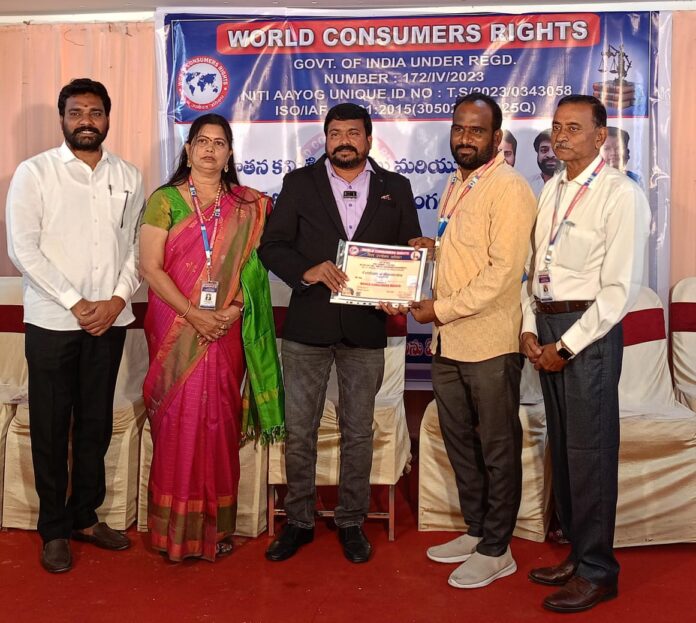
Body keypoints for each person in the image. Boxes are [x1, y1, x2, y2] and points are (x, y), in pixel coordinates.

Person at [259, 103, 420, 564]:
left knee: (357, 430)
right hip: (309, 324)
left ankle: (351, 520)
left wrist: (405, 282)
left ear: (368, 139)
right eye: (334, 133)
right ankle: (299, 521)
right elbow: (272, 246)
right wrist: (306, 271)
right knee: (300, 429)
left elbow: (409, 247)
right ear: (326, 139)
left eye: (352, 132)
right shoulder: (299, 183)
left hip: (366, 325)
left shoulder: (396, 187)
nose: (343, 140)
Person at [389, 92, 536, 589]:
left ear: (497, 137)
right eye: (459, 128)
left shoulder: (509, 188)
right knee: (459, 442)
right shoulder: (458, 182)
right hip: (448, 342)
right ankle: (477, 530)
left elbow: (502, 273)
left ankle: (498, 549)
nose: (465, 138)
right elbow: (471, 250)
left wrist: (440, 309)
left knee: (496, 446)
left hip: (489, 342)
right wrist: (435, 250)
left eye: (476, 130)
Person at [5, 78, 144, 573]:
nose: (86, 120)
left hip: (110, 321)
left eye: (95, 112)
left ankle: (86, 516)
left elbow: (137, 246)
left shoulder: (128, 175)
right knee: (49, 425)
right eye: (76, 112)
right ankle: (54, 529)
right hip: (53, 321)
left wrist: (117, 299)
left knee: (95, 422)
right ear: (62, 118)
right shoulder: (35, 172)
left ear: (108, 118)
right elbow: (23, 247)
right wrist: (76, 302)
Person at [521, 95, 650, 613]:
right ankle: (578, 554)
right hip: (547, 325)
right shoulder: (551, 188)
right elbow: (534, 267)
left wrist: (567, 345)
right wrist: (529, 328)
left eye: (574, 128)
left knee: (590, 453)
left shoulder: (620, 194)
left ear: (601, 137)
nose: (561, 135)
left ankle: (599, 571)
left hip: (587, 334)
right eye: (557, 126)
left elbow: (620, 290)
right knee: (566, 448)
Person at [139, 113, 284, 562]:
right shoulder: (164, 201)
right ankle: (174, 533)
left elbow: (254, 271)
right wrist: (193, 315)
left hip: (224, 327)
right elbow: (150, 268)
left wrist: (233, 309)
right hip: (176, 327)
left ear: (229, 154)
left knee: (219, 422)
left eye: (219, 143)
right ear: (187, 150)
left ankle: (215, 529)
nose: (209, 149)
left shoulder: (249, 206)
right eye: (201, 141)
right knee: (178, 423)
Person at [528, 129, 559, 196]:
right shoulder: (527, 184)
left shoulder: (577, 186)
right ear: (538, 154)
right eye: (544, 150)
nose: (550, 155)